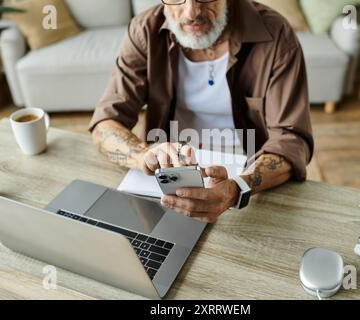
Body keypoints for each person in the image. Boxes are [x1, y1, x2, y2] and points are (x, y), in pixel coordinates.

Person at [89, 0, 314, 223]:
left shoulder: (275, 34)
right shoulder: (144, 30)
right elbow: (105, 125)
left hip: (252, 179)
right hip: (170, 178)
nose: (192, 12)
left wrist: (237, 188)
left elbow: (292, 141)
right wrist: (143, 156)